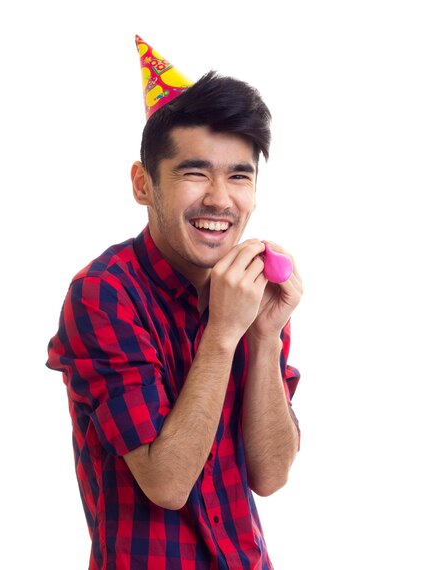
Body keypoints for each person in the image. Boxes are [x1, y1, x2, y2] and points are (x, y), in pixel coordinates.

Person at [47, 36, 303, 569]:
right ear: (144, 184)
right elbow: (166, 482)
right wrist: (223, 334)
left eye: (239, 176)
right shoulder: (104, 294)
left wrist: (262, 337)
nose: (219, 197)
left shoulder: (248, 294)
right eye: (195, 172)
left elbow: (272, 474)